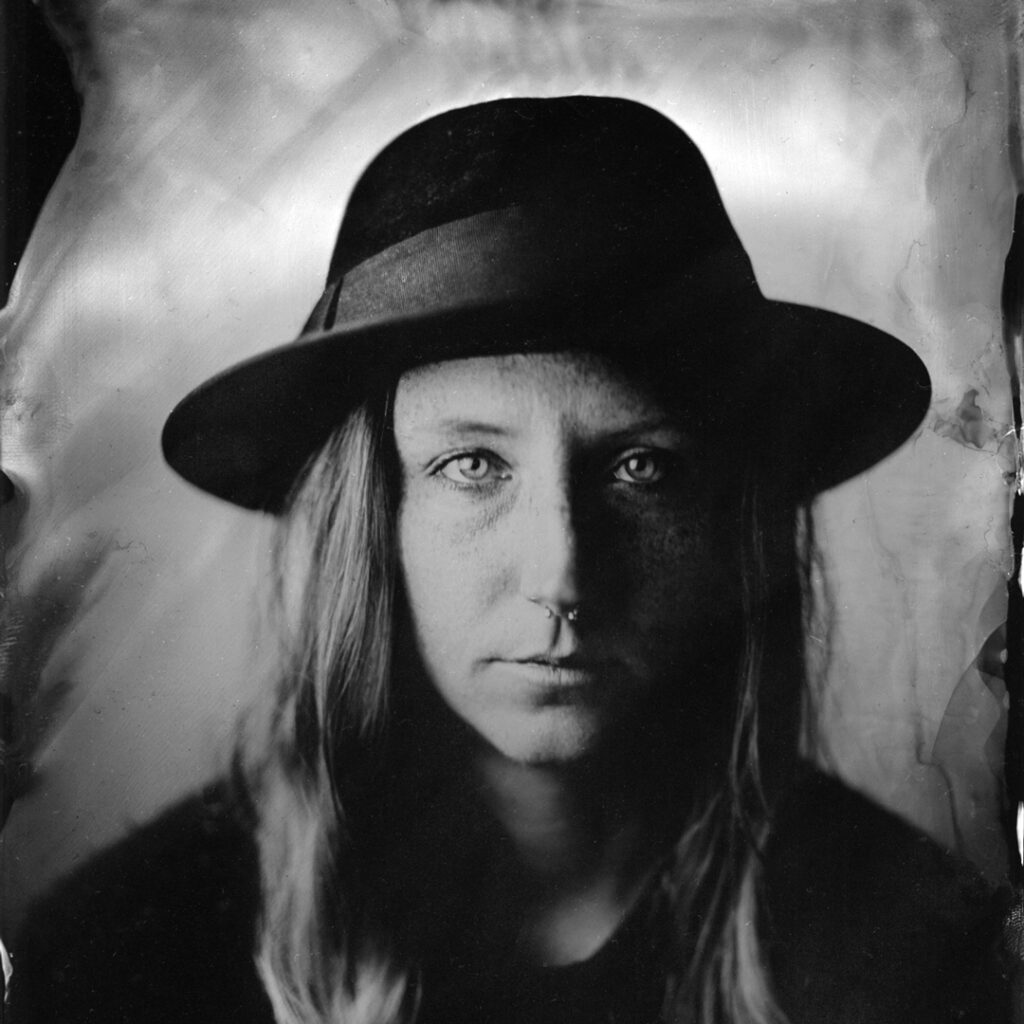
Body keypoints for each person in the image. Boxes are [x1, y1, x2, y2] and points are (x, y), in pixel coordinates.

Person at [9, 96, 1016, 1024]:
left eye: (642, 466)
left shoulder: (915, 943)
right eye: (471, 463)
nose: (561, 576)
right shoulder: (131, 958)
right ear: (372, 521)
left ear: (732, 519)